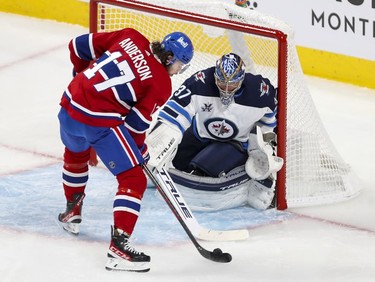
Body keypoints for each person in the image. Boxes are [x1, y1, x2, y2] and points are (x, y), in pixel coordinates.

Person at [57, 28, 194, 272]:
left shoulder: (131, 36)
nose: (178, 70)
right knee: (133, 177)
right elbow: (134, 126)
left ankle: (72, 212)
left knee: (75, 153)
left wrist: (81, 77)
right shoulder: (162, 82)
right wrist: (140, 152)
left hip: (69, 104)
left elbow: (77, 46)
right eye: (180, 65)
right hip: (98, 120)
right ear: (171, 58)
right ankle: (119, 247)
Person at [146, 52, 283, 211]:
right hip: (199, 134)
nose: (225, 89)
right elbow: (173, 112)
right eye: (220, 82)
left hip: (234, 143)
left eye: (231, 84)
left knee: (203, 169)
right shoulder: (201, 81)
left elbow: (269, 122)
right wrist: (159, 141)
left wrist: (259, 145)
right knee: (177, 163)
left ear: (241, 80)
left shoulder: (260, 92)